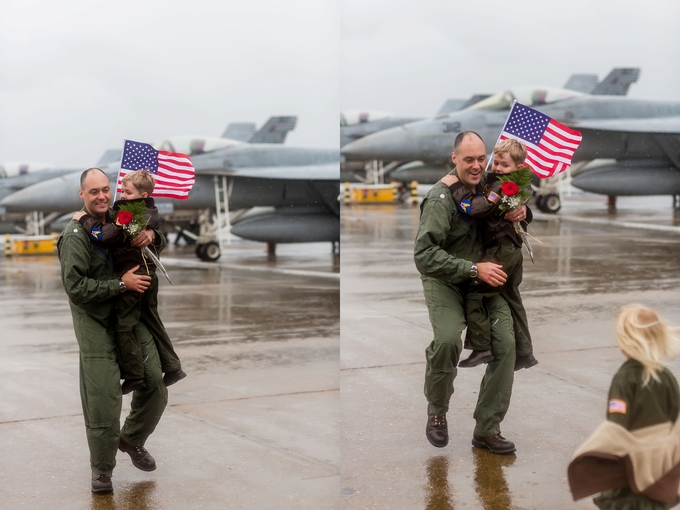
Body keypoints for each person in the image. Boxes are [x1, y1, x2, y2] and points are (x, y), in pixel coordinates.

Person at [414, 131, 527, 453]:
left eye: (481, 159)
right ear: (454, 159)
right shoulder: (440, 198)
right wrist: (473, 268)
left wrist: (523, 212)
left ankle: (487, 429)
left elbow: (512, 214)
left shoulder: (492, 186)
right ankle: (437, 410)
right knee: (448, 340)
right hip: (446, 279)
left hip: (484, 282)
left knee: (506, 345)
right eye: (469, 160)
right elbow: (423, 255)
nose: (477, 166)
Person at [57, 168, 169, 493]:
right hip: (95, 324)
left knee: (156, 385)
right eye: (94, 192)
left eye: (106, 189)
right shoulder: (76, 235)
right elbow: (76, 287)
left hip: (127, 318)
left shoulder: (120, 219)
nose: (102, 196)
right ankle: (102, 471)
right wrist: (121, 283)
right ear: (82, 195)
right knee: (105, 399)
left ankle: (131, 439)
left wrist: (153, 236)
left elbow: (147, 243)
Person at [75, 170, 186, 394]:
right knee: (152, 320)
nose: (120, 196)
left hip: (135, 277)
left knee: (124, 325)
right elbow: (152, 221)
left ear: (142, 195)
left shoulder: (133, 215)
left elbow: (104, 235)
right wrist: (153, 232)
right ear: (82, 193)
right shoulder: (146, 212)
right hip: (145, 274)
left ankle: (134, 375)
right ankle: (173, 367)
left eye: (125, 192)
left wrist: (83, 219)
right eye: (121, 191)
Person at [568, 305, 680, 509]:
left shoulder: (624, 378)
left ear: (626, 344)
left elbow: (616, 426)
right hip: (659, 466)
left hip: (631, 466)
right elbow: (676, 419)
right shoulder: (667, 377)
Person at [443, 139, 537, 371]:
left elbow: (477, 208)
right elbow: (523, 195)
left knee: (475, 291)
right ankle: (525, 353)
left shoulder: (501, 186)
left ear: (518, 167)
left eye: (504, 165)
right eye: (496, 163)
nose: (497, 168)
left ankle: (482, 347)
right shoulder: (515, 184)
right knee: (512, 299)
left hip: (501, 251)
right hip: (512, 250)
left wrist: (455, 187)